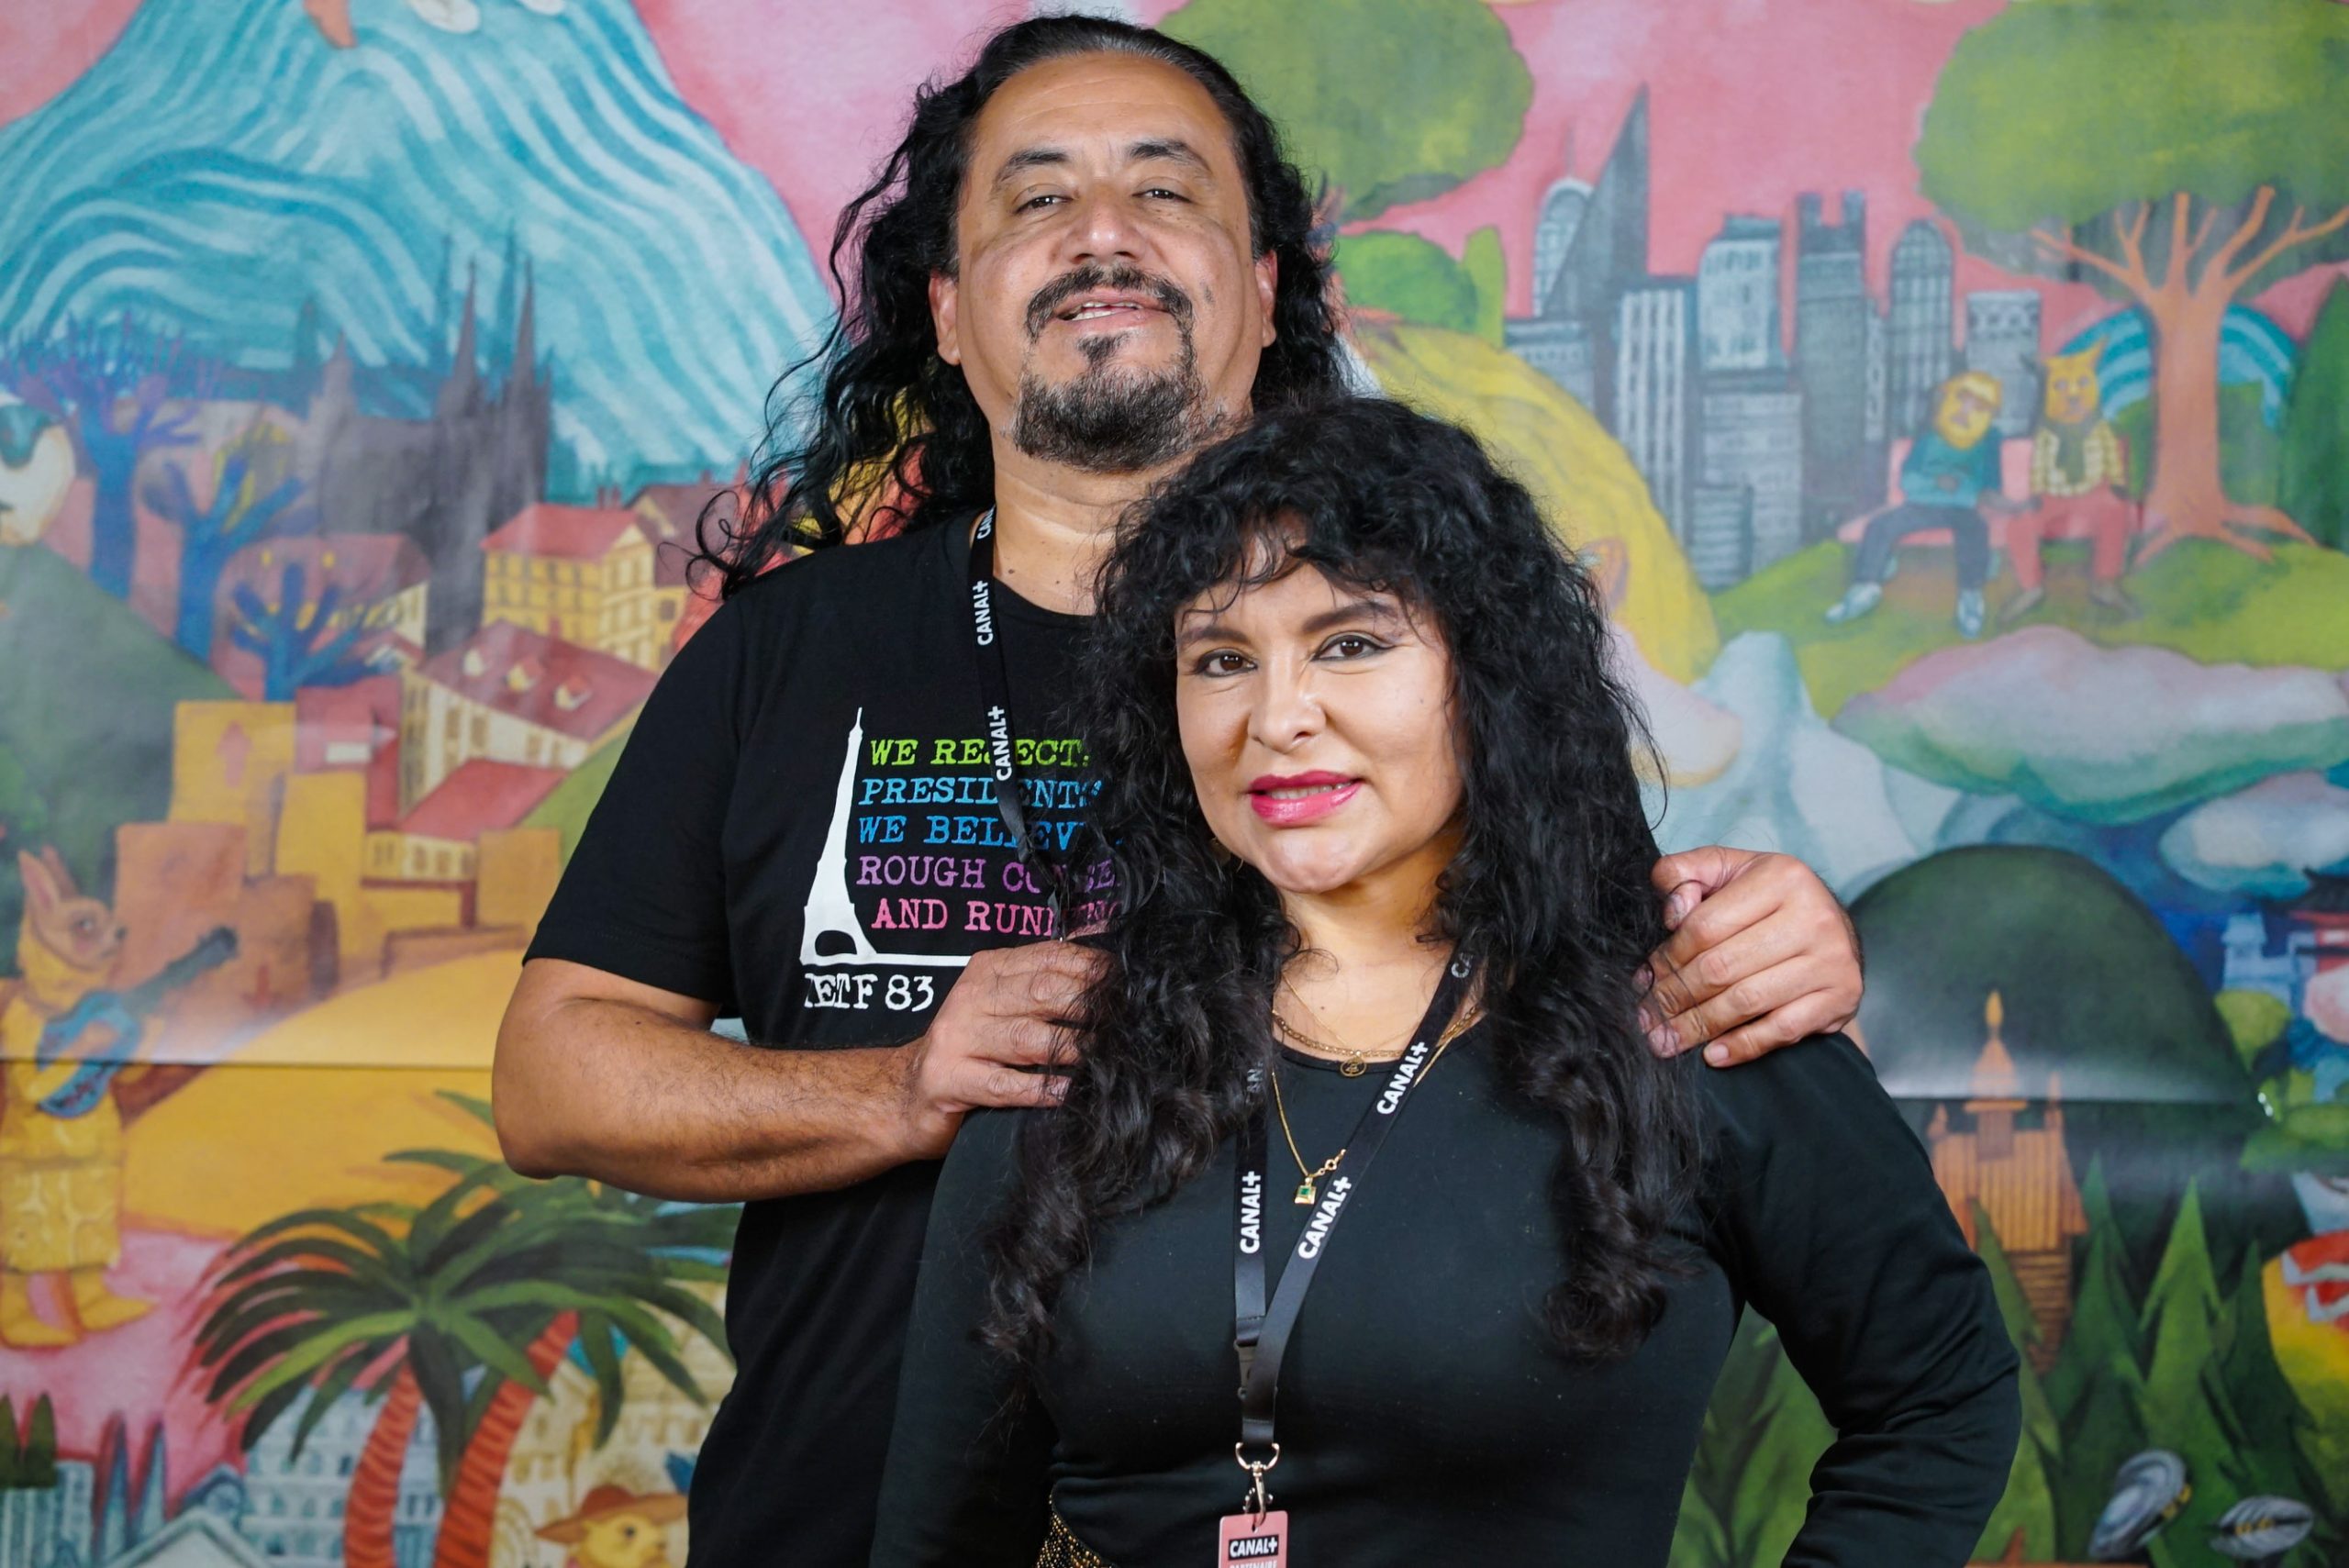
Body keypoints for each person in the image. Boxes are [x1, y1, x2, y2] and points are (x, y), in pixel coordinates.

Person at [492, 18, 1869, 1568]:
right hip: (835, 1524)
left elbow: (1636, 1028)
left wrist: (1781, 955)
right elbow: (551, 1076)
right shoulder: (785, 656)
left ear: (1267, 289)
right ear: (946, 311)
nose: (1102, 234)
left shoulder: (1447, 675)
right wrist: (900, 1089)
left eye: (1164, 190)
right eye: (1037, 198)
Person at [871, 397, 2019, 1568]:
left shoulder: (1689, 1008)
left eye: (1350, 643)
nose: (1277, 716)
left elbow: (1941, 1395)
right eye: (1221, 659)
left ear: (1488, 671)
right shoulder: (1071, 1048)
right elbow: (944, 1527)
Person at [1824, 370, 2014, 639]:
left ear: (1990, 414)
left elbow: (1989, 487)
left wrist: (1970, 491)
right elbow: (1908, 479)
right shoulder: (1930, 437)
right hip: (1923, 503)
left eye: (1978, 406)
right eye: (1962, 400)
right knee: (1881, 525)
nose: (1965, 411)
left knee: (1976, 529)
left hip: (1962, 507)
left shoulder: (1988, 442)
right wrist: (1937, 482)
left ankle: (1970, 597)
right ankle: (1864, 587)